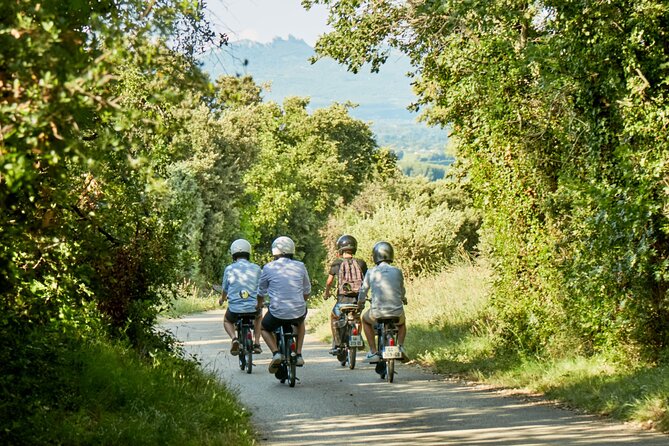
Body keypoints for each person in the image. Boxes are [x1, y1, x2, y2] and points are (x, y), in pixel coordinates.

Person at [258, 236, 311, 373]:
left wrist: (259, 304)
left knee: (264, 328)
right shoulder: (300, 266)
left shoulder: (268, 267)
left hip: (277, 312)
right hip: (298, 310)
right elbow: (307, 290)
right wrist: (300, 302)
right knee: (300, 323)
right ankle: (298, 354)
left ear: (274, 251)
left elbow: (261, 291)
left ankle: (276, 353)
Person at [357, 241, 408, 363]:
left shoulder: (371, 272)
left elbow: (363, 290)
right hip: (396, 312)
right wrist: (403, 298)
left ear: (375, 256)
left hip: (377, 313)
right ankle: (400, 346)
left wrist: (360, 303)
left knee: (365, 320)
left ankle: (373, 351)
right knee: (402, 323)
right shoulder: (397, 271)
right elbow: (401, 290)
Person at [324, 234, 367, 355]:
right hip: (357, 301)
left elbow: (329, 282)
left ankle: (337, 344)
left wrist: (326, 293)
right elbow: (368, 280)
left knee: (334, 317)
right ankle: (358, 337)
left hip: (342, 301)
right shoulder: (361, 263)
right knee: (358, 318)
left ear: (340, 249)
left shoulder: (337, 263)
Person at [219, 239, 264, 355]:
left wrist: (222, 299)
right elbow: (261, 287)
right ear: (248, 253)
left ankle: (234, 338)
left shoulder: (229, 269)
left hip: (235, 310)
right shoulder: (257, 268)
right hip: (253, 308)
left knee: (227, 320)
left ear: (233, 254)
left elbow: (225, 289)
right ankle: (257, 343)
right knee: (259, 317)